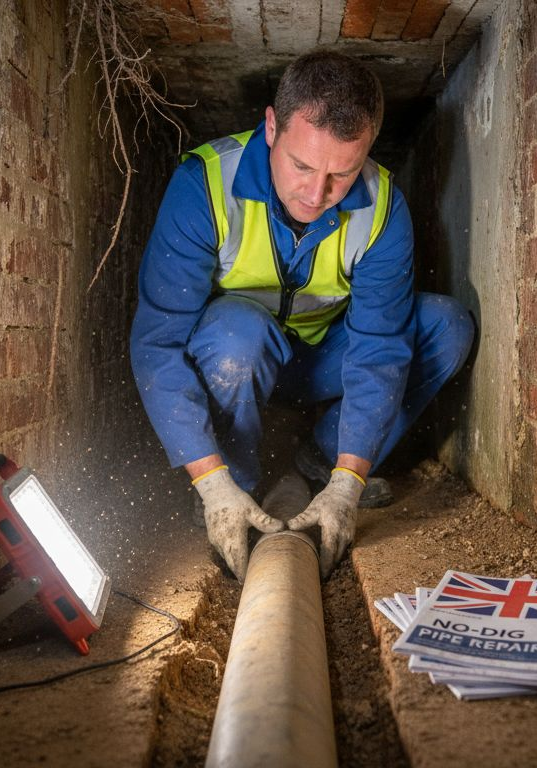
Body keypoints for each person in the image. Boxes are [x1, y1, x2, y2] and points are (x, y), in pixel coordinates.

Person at [130, 51, 474, 581]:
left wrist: (348, 485)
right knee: (236, 336)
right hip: (239, 353)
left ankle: (321, 460)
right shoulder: (204, 186)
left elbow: (380, 348)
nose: (317, 194)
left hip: (324, 361)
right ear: (271, 127)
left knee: (447, 327)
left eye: (343, 174)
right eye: (302, 165)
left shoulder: (384, 208)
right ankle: (235, 486)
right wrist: (211, 483)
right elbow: (157, 344)